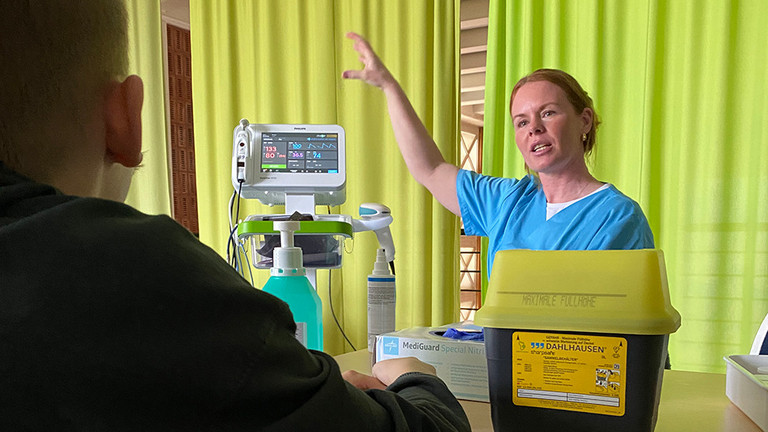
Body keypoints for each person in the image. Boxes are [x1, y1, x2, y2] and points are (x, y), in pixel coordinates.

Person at [0, 3, 470, 431]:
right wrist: (416, 377)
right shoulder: (142, 277)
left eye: (546, 114)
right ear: (127, 119)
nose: (532, 130)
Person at [342, 32, 654, 277]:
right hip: (508, 355)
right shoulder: (508, 202)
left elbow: (617, 325)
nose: (533, 128)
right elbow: (431, 169)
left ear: (584, 120)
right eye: (521, 121)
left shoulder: (618, 218)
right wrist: (388, 86)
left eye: (548, 113)